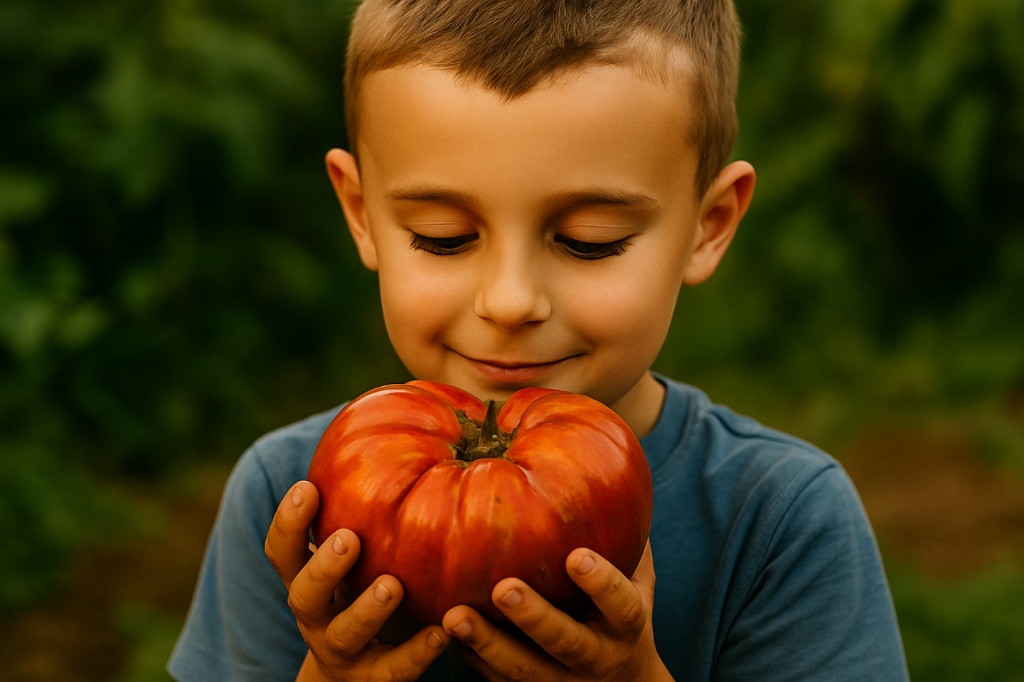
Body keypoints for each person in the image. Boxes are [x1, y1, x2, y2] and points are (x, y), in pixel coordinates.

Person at [168, 0, 910, 679]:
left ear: (707, 227)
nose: (511, 301)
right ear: (361, 213)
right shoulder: (293, 500)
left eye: (590, 241)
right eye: (444, 237)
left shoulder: (779, 520)